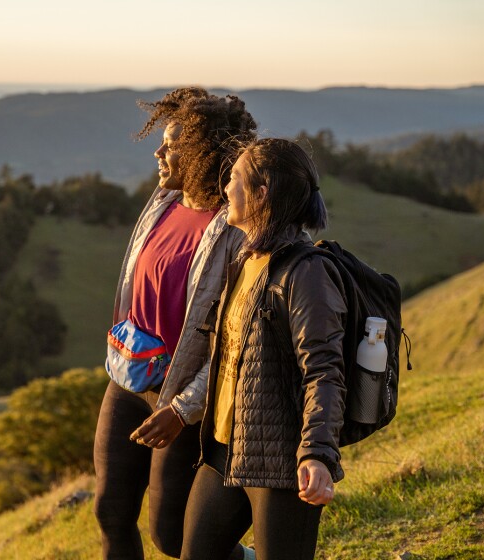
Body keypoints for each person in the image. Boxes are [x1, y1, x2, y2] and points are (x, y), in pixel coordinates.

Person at [94, 87, 257, 560]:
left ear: (205, 155)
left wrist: (184, 409)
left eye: (173, 145)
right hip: (129, 377)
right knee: (110, 511)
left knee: (173, 537)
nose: (159, 151)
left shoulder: (236, 229)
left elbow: (238, 343)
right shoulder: (163, 202)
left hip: (182, 396)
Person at [180, 137, 347, 560]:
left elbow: (324, 370)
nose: (226, 190)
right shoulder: (244, 258)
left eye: (235, 179)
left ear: (261, 192)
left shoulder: (306, 271)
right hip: (222, 450)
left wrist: (317, 453)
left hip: (280, 464)